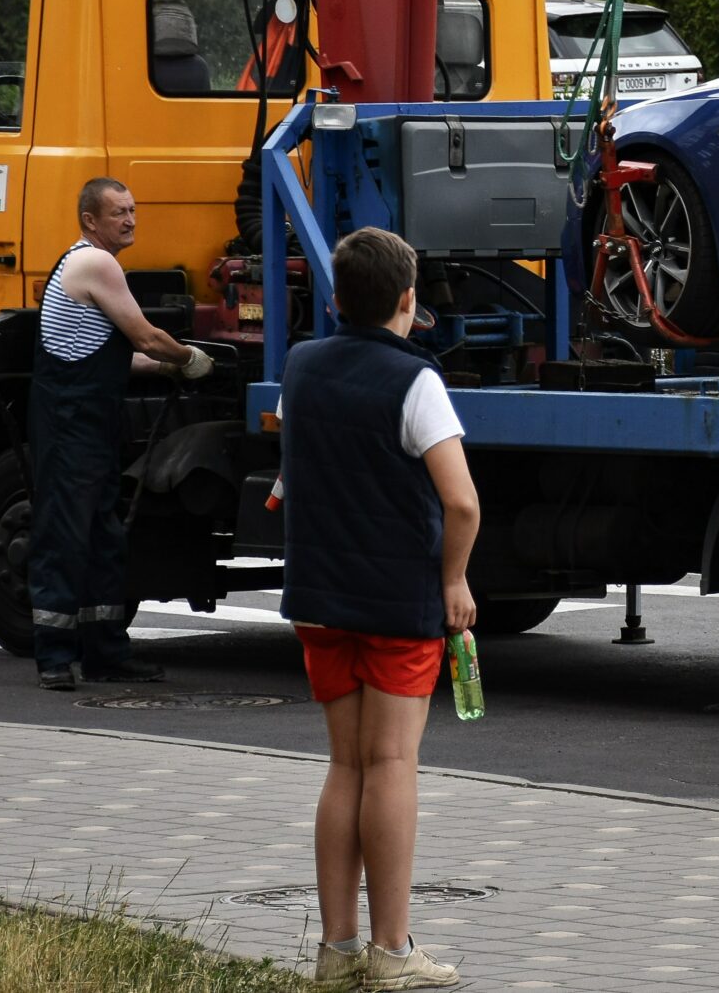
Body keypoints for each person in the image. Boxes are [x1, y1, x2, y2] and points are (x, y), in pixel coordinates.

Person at [279, 226, 479, 991]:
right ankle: (392, 952)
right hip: (396, 600)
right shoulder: (416, 380)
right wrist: (454, 580)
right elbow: (461, 502)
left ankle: (336, 951)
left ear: (335, 298)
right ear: (407, 299)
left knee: (344, 765)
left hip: (320, 598)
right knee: (392, 763)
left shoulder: (301, 365)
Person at [29, 177, 209, 691]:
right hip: (69, 424)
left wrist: (160, 370)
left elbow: (109, 356)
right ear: (90, 221)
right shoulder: (95, 263)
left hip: (88, 420)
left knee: (104, 535)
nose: (130, 219)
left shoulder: (88, 264)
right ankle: (55, 656)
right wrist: (190, 359)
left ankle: (105, 651)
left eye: (133, 209)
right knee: (66, 535)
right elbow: (146, 336)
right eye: (118, 213)